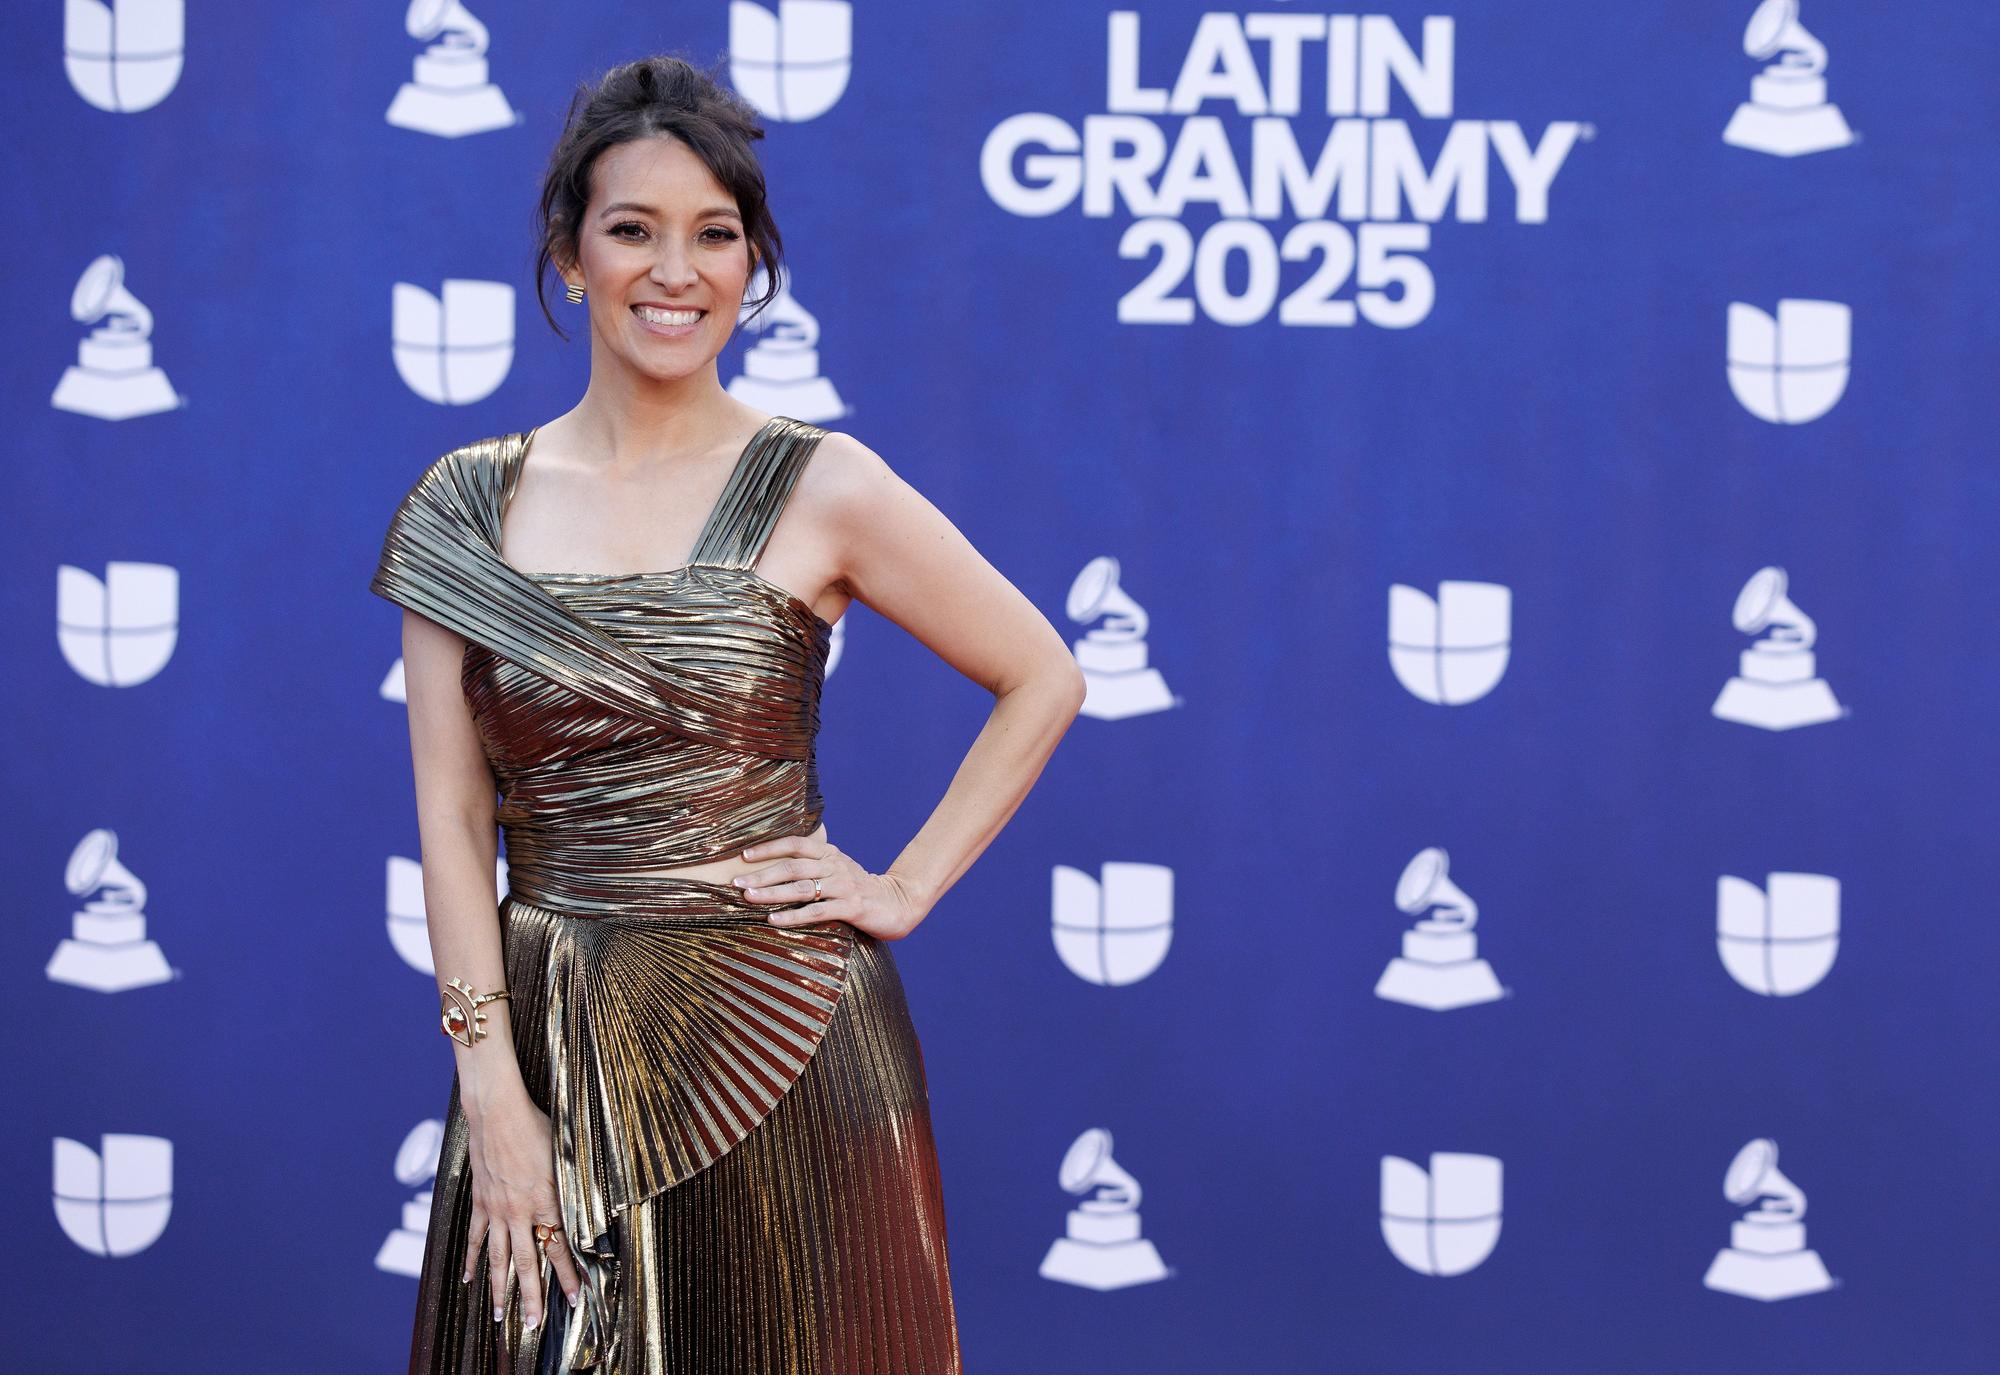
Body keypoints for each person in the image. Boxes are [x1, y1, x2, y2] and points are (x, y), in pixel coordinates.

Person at [370, 53, 1086, 1374]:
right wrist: (491, 1082)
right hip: (551, 1042)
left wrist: (905, 883)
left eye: (715, 235)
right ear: (570, 253)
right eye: (633, 229)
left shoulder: (826, 485)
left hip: (794, 1033)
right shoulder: (461, 512)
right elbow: (453, 809)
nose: (675, 270)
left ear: (753, 265)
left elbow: (1044, 674)